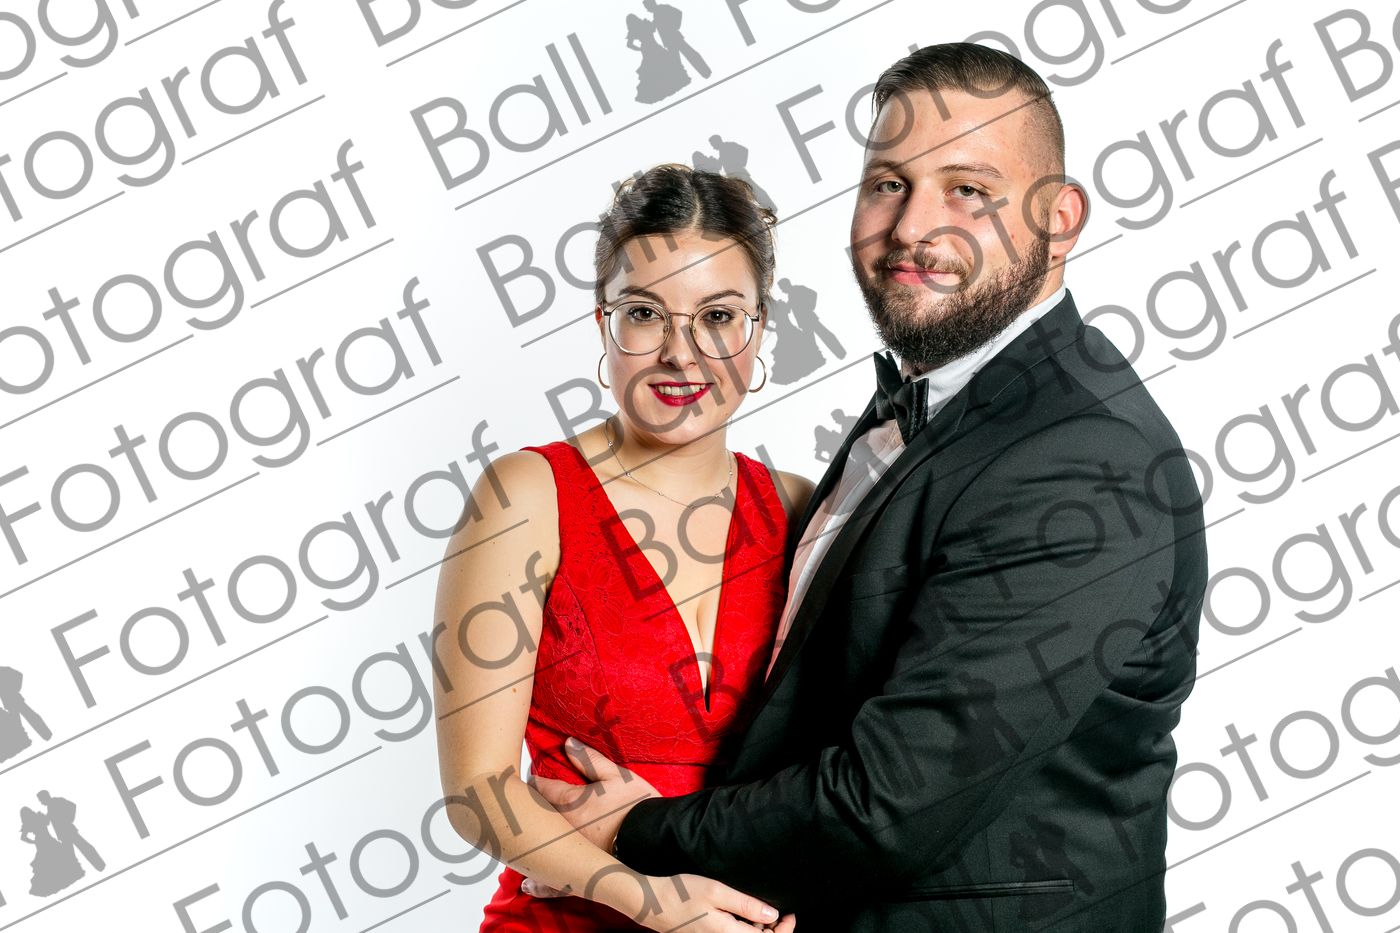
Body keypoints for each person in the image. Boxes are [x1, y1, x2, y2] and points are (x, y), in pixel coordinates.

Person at [526, 43, 1209, 931]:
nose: (914, 226)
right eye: (889, 183)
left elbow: (888, 807)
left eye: (968, 189)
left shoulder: (1082, 457)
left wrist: (638, 832)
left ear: (1060, 216)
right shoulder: (936, 401)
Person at [432, 163, 813, 932]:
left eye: (718, 316)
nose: (682, 352)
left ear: (759, 327)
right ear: (603, 323)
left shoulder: (802, 510)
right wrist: (652, 899)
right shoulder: (526, 496)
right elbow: (477, 788)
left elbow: (841, 767)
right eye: (645, 313)